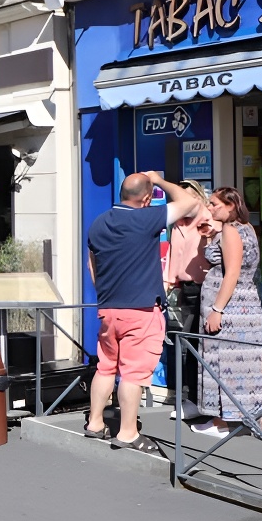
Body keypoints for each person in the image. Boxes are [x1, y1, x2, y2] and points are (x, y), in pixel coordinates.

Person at [85, 172, 199, 451]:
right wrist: (158, 180)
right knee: (133, 374)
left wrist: (108, 295)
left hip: (109, 309)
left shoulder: (98, 224)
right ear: (147, 198)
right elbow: (189, 202)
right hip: (141, 310)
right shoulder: (147, 218)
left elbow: (93, 267)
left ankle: (95, 423)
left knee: (106, 367)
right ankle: (127, 433)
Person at [194, 186, 262, 438]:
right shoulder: (246, 229)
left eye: (214, 204)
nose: (211, 208)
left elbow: (232, 272)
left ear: (231, 206)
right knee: (244, 366)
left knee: (223, 363)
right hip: (246, 304)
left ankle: (223, 423)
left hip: (232, 307)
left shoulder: (231, 231)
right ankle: (247, 419)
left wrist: (217, 309)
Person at [163, 180, 214, 416]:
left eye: (186, 194)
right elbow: (174, 255)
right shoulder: (177, 225)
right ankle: (191, 398)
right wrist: (169, 282)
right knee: (187, 342)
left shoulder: (204, 217)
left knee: (200, 343)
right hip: (185, 288)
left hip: (206, 287)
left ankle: (201, 399)